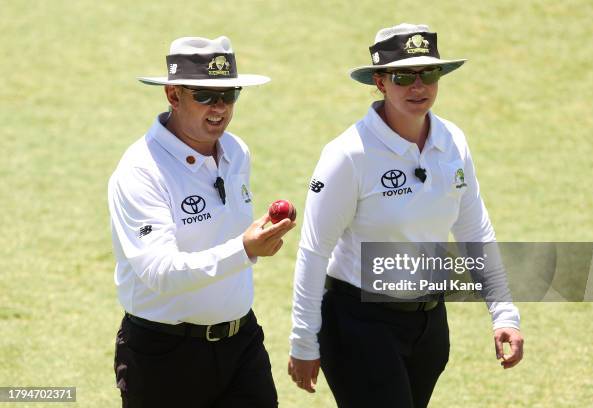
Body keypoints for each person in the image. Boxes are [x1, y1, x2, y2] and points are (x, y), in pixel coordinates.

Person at [287, 24, 524, 408]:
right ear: (380, 82)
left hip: (429, 325)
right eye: (403, 76)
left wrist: (504, 314)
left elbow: (474, 230)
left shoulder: (453, 142)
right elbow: (314, 251)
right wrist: (303, 340)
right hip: (358, 325)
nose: (419, 86)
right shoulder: (347, 155)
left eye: (428, 73)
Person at [108, 36, 294, 407]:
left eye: (229, 94)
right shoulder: (140, 171)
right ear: (173, 96)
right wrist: (244, 249)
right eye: (205, 95)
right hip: (163, 356)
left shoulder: (237, 152)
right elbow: (160, 272)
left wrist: (259, 236)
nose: (220, 107)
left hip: (242, 346)